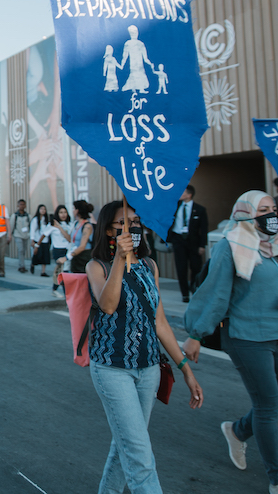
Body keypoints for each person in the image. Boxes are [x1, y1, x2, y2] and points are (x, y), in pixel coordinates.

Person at [183, 191, 278, 494]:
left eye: (273, 209)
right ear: (245, 212)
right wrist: (196, 334)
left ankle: (237, 430)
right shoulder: (232, 245)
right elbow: (216, 293)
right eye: (262, 209)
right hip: (246, 336)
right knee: (268, 404)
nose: (270, 215)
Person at [87, 200, 204, 493]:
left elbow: (160, 322)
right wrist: (119, 260)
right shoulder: (96, 266)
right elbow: (109, 305)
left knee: (125, 445)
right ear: (109, 230)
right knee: (140, 457)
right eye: (123, 223)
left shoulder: (149, 266)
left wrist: (186, 370)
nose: (132, 228)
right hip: (112, 370)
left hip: (149, 369)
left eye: (136, 222)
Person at [166, 185, 209, 302]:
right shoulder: (174, 207)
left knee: (195, 267)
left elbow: (204, 229)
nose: (180, 194)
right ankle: (184, 294)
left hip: (193, 241)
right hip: (178, 240)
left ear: (189, 195)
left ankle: (194, 289)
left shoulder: (200, 209)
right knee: (181, 267)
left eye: (183, 192)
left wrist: (202, 245)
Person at [47, 205, 74, 293]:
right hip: (58, 250)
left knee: (62, 272)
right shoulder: (52, 225)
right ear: (57, 214)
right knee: (63, 272)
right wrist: (37, 245)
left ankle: (54, 289)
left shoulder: (70, 224)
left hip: (68, 250)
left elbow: (69, 239)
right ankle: (66, 294)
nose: (63, 214)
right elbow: (44, 234)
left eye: (65, 212)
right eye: (61, 212)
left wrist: (60, 227)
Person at [66, 200, 95, 273]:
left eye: (74, 208)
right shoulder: (76, 224)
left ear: (77, 210)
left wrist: (67, 257)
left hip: (84, 258)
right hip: (75, 256)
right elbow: (70, 239)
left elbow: (82, 246)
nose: (73, 211)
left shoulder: (87, 226)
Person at [29, 204, 52, 278]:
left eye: (44, 209)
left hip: (45, 241)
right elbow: (32, 230)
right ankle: (32, 264)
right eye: (41, 209)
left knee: (45, 256)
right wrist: (32, 240)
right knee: (37, 255)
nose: (43, 211)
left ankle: (43, 271)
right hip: (37, 240)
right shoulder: (35, 219)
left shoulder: (47, 219)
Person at [11, 199, 32, 273]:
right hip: (18, 235)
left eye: (23, 204)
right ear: (17, 205)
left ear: (25, 205)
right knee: (21, 250)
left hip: (26, 235)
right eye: (20, 204)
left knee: (24, 250)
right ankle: (21, 266)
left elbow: (31, 226)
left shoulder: (28, 216)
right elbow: (11, 225)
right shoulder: (15, 215)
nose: (22, 206)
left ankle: (22, 264)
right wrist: (9, 235)